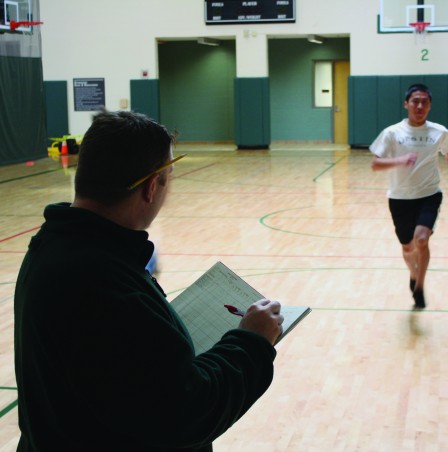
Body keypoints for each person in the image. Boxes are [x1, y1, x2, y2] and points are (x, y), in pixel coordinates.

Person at [14, 110, 284, 451]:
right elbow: (187, 413)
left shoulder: (53, 246)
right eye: (168, 177)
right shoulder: (103, 283)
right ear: (151, 186)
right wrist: (253, 342)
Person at [369, 83, 448, 309]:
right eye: (415, 101)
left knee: (421, 239)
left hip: (429, 194)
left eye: (424, 102)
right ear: (406, 104)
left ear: (430, 106)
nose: (419, 106)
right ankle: (413, 274)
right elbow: (375, 164)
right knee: (408, 248)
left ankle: (419, 287)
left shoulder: (439, 132)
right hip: (399, 198)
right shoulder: (392, 133)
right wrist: (399, 160)